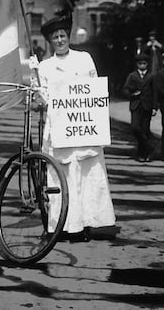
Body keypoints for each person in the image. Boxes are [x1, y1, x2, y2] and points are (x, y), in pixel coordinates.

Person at [33, 16, 117, 241]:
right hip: (59, 132)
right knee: (61, 177)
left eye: (62, 36)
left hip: (83, 130)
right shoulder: (44, 66)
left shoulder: (84, 59)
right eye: (55, 37)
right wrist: (38, 97)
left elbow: (93, 90)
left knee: (88, 177)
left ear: (68, 37)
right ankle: (60, 225)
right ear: (50, 42)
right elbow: (41, 98)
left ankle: (88, 223)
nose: (59, 40)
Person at [122, 53, 156, 162]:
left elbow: (155, 92)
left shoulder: (151, 76)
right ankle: (149, 146)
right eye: (140, 63)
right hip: (135, 105)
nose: (142, 66)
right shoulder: (132, 76)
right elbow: (125, 89)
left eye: (144, 63)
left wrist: (155, 107)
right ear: (137, 64)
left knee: (145, 130)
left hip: (147, 106)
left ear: (147, 64)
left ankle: (143, 154)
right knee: (135, 127)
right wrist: (131, 94)